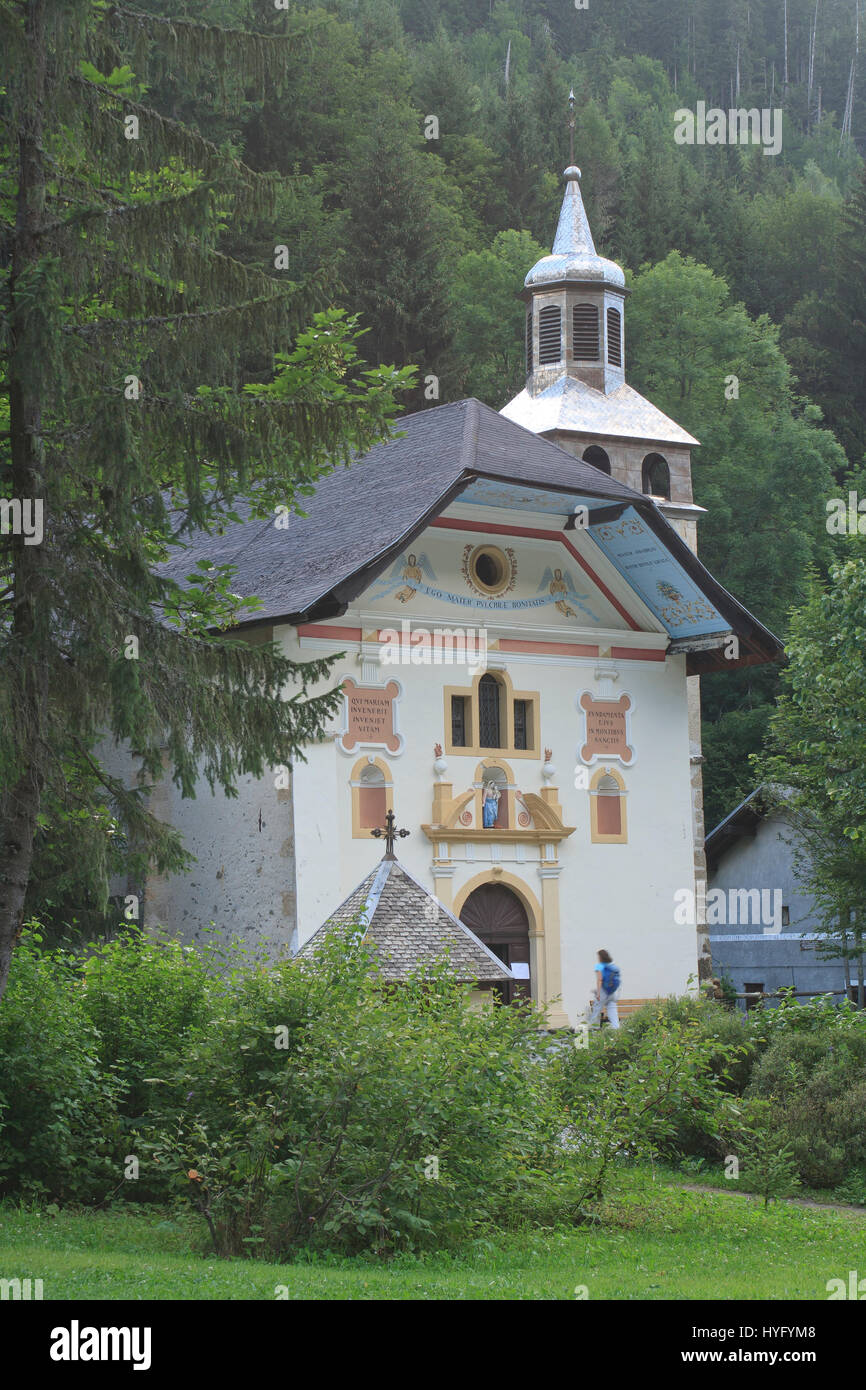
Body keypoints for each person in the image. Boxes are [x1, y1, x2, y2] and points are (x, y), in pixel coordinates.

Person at [589, 949, 621, 1030]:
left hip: (603, 992)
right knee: (613, 1013)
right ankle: (617, 1030)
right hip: (612, 993)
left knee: (596, 1012)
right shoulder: (612, 966)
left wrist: (598, 993)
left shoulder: (599, 966)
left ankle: (592, 1031)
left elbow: (600, 980)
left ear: (600, 957)